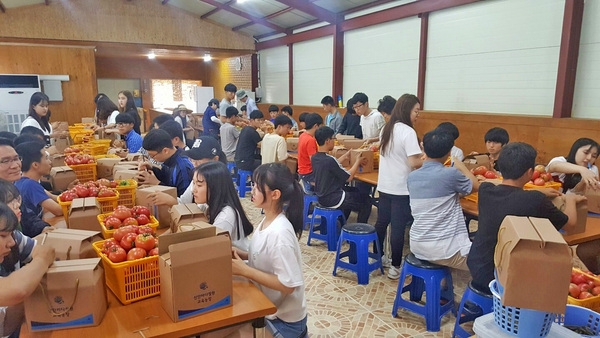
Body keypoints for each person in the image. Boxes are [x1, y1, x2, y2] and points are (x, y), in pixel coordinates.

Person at [467, 142, 585, 294]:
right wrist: (570, 199)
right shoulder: (535, 200)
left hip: (478, 267)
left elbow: (505, 191)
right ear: (530, 172)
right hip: (505, 278)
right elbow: (570, 226)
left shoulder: (485, 191)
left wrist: (541, 193)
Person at [231, 163, 307, 337]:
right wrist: (242, 254)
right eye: (253, 184)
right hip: (269, 309)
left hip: (285, 322)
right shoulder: (268, 220)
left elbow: (288, 285)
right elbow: (264, 256)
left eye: (258, 187)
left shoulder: (280, 234)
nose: (253, 190)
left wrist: (246, 271)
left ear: (275, 194)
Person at [408, 128, 479, 270]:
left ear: (423, 148)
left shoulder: (412, 176)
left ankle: (441, 287)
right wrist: (462, 167)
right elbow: (476, 186)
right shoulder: (450, 173)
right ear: (449, 153)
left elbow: (440, 196)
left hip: (417, 244)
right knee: (488, 262)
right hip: (443, 251)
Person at [374, 94, 423, 279]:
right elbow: (414, 163)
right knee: (397, 227)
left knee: (381, 222)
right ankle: (395, 266)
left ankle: (378, 257)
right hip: (401, 188)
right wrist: (427, 160)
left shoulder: (387, 128)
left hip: (385, 185)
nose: (418, 115)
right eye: (416, 111)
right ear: (406, 110)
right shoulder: (407, 132)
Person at [0, 201, 55, 338]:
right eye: (2, 236)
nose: (11, 242)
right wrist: (41, 261)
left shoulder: (15, 239)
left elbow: (46, 250)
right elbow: (17, 290)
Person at [145, 136, 227, 207]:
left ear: (215, 160)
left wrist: (172, 201)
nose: (194, 164)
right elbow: (184, 201)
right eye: (192, 159)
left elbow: (200, 212)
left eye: (198, 159)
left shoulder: (221, 186)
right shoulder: (198, 176)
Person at [312, 126, 371, 223]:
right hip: (334, 198)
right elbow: (349, 177)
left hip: (322, 197)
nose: (334, 141)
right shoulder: (330, 160)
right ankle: (359, 231)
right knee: (366, 201)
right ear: (327, 141)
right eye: (333, 139)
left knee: (354, 191)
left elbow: (330, 166)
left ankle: (342, 223)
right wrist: (357, 161)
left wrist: (345, 156)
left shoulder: (315, 158)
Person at [191, 162, 253, 250]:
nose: (193, 190)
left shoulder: (226, 216)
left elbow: (210, 249)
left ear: (215, 187)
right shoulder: (205, 206)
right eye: (193, 183)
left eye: (199, 185)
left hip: (237, 260)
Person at [14, 141, 61, 237]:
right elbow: (58, 210)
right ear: (35, 165)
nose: (50, 162)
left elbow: (54, 197)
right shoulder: (30, 185)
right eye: (46, 158)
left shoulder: (23, 182)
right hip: (35, 236)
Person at [137, 129, 194, 197]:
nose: (152, 159)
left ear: (165, 151)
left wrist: (157, 183)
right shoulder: (170, 158)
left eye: (152, 156)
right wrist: (152, 168)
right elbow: (167, 177)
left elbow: (183, 199)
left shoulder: (183, 168)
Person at [297, 113, 323, 193]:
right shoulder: (310, 140)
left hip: (302, 171)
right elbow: (314, 160)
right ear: (316, 126)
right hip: (309, 173)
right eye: (320, 126)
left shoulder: (303, 135)